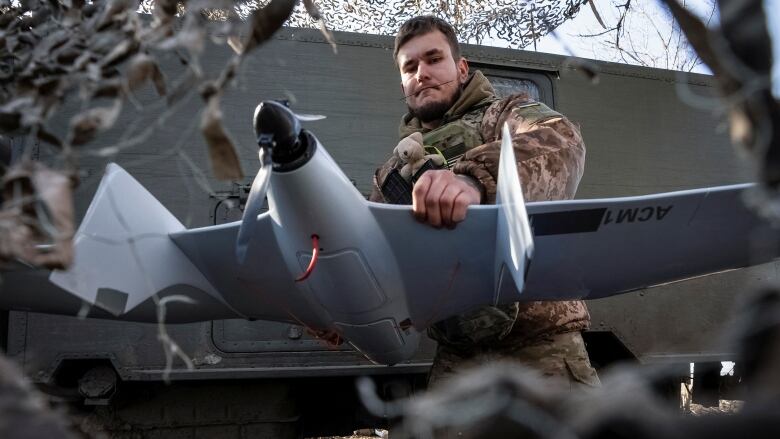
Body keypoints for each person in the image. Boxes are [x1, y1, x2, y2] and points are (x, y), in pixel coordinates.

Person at [369, 16, 600, 390]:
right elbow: (371, 256)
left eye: (433, 59)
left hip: (541, 346)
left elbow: (562, 141)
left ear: (461, 68)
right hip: (456, 355)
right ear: (402, 83)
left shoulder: (504, 114)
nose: (422, 73)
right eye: (410, 67)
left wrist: (475, 178)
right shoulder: (391, 173)